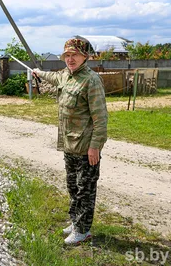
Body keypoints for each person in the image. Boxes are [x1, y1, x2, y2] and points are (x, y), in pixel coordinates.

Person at [32, 38, 108, 245]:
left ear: (85, 57)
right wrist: (38, 73)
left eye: (74, 55)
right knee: (73, 187)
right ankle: (76, 222)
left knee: (85, 189)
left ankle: (83, 230)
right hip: (69, 144)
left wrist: (95, 146)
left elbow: (100, 118)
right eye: (67, 55)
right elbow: (53, 77)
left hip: (85, 147)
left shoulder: (91, 81)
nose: (70, 58)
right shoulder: (66, 76)